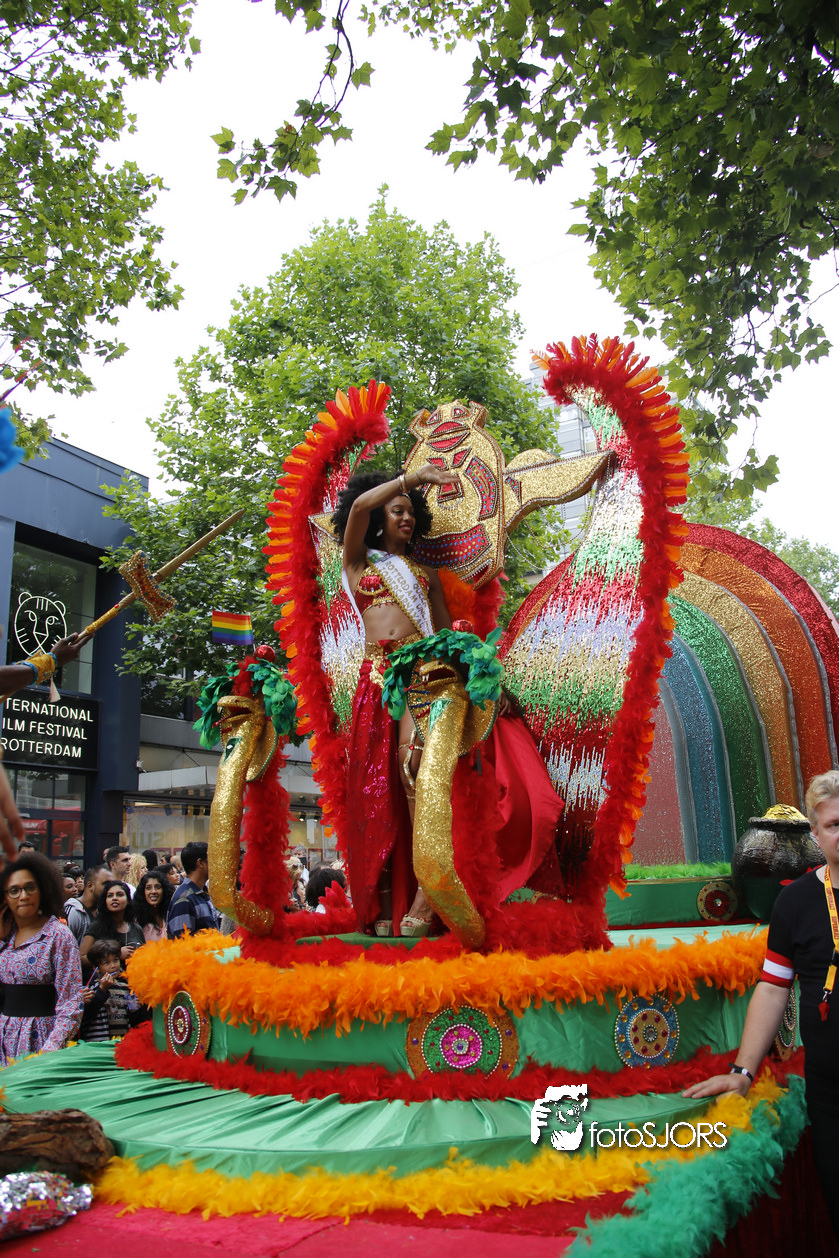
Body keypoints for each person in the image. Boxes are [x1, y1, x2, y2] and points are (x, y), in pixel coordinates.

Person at [332, 467, 564, 938]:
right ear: (377, 517)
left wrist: (486, 681)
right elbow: (356, 506)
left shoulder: (425, 576)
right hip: (376, 681)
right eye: (397, 511)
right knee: (375, 790)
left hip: (421, 675)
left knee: (416, 771)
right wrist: (412, 478)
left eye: (410, 514)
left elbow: (444, 639)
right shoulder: (358, 563)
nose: (406, 519)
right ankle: (384, 898)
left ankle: (430, 888)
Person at [684, 768, 839, 1240]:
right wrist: (743, 1071)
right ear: (815, 835)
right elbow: (773, 988)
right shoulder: (796, 902)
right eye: (834, 825)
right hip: (832, 1092)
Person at [0, 852, 83, 1066]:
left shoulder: (59, 936)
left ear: (43, 889)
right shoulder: (5, 936)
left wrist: (50, 1049)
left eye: (30, 887)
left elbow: (71, 1002)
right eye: (14, 890)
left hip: (41, 1041)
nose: (23, 896)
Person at [79, 938, 135, 1041]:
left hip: (121, 1043)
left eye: (116, 960)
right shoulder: (91, 989)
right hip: (98, 1044)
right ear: (96, 968)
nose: (113, 966)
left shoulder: (125, 987)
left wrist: (136, 1009)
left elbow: (134, 1019)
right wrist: (102, 989)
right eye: (106, 963)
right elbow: (87, 1014)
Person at [80, 880, 144, 969]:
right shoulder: (97, 927)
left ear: (128, 900)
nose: (114, 898)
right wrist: (116, 955)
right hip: (107, 977)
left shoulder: (136, 928)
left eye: (119, 895)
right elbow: (81, 958)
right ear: (105, 901)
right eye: (110, 895)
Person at [166, 841, 219, 938]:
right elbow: (181, 943)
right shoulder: (184, 899)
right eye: (213, 860)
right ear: (201, 863)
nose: (217, 865)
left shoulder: (202, 893)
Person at [64, 865, 110, 947]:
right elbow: (65, 947)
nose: (109, 888)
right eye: (105, 884)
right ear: (90, 885)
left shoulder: (103, 911)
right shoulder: (74, 911)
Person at [133, 870, 173, 943]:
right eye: (148, 888)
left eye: (158, 887)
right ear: (143, 892)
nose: (153, 891)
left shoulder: (171, 914)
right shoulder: (137, 920)